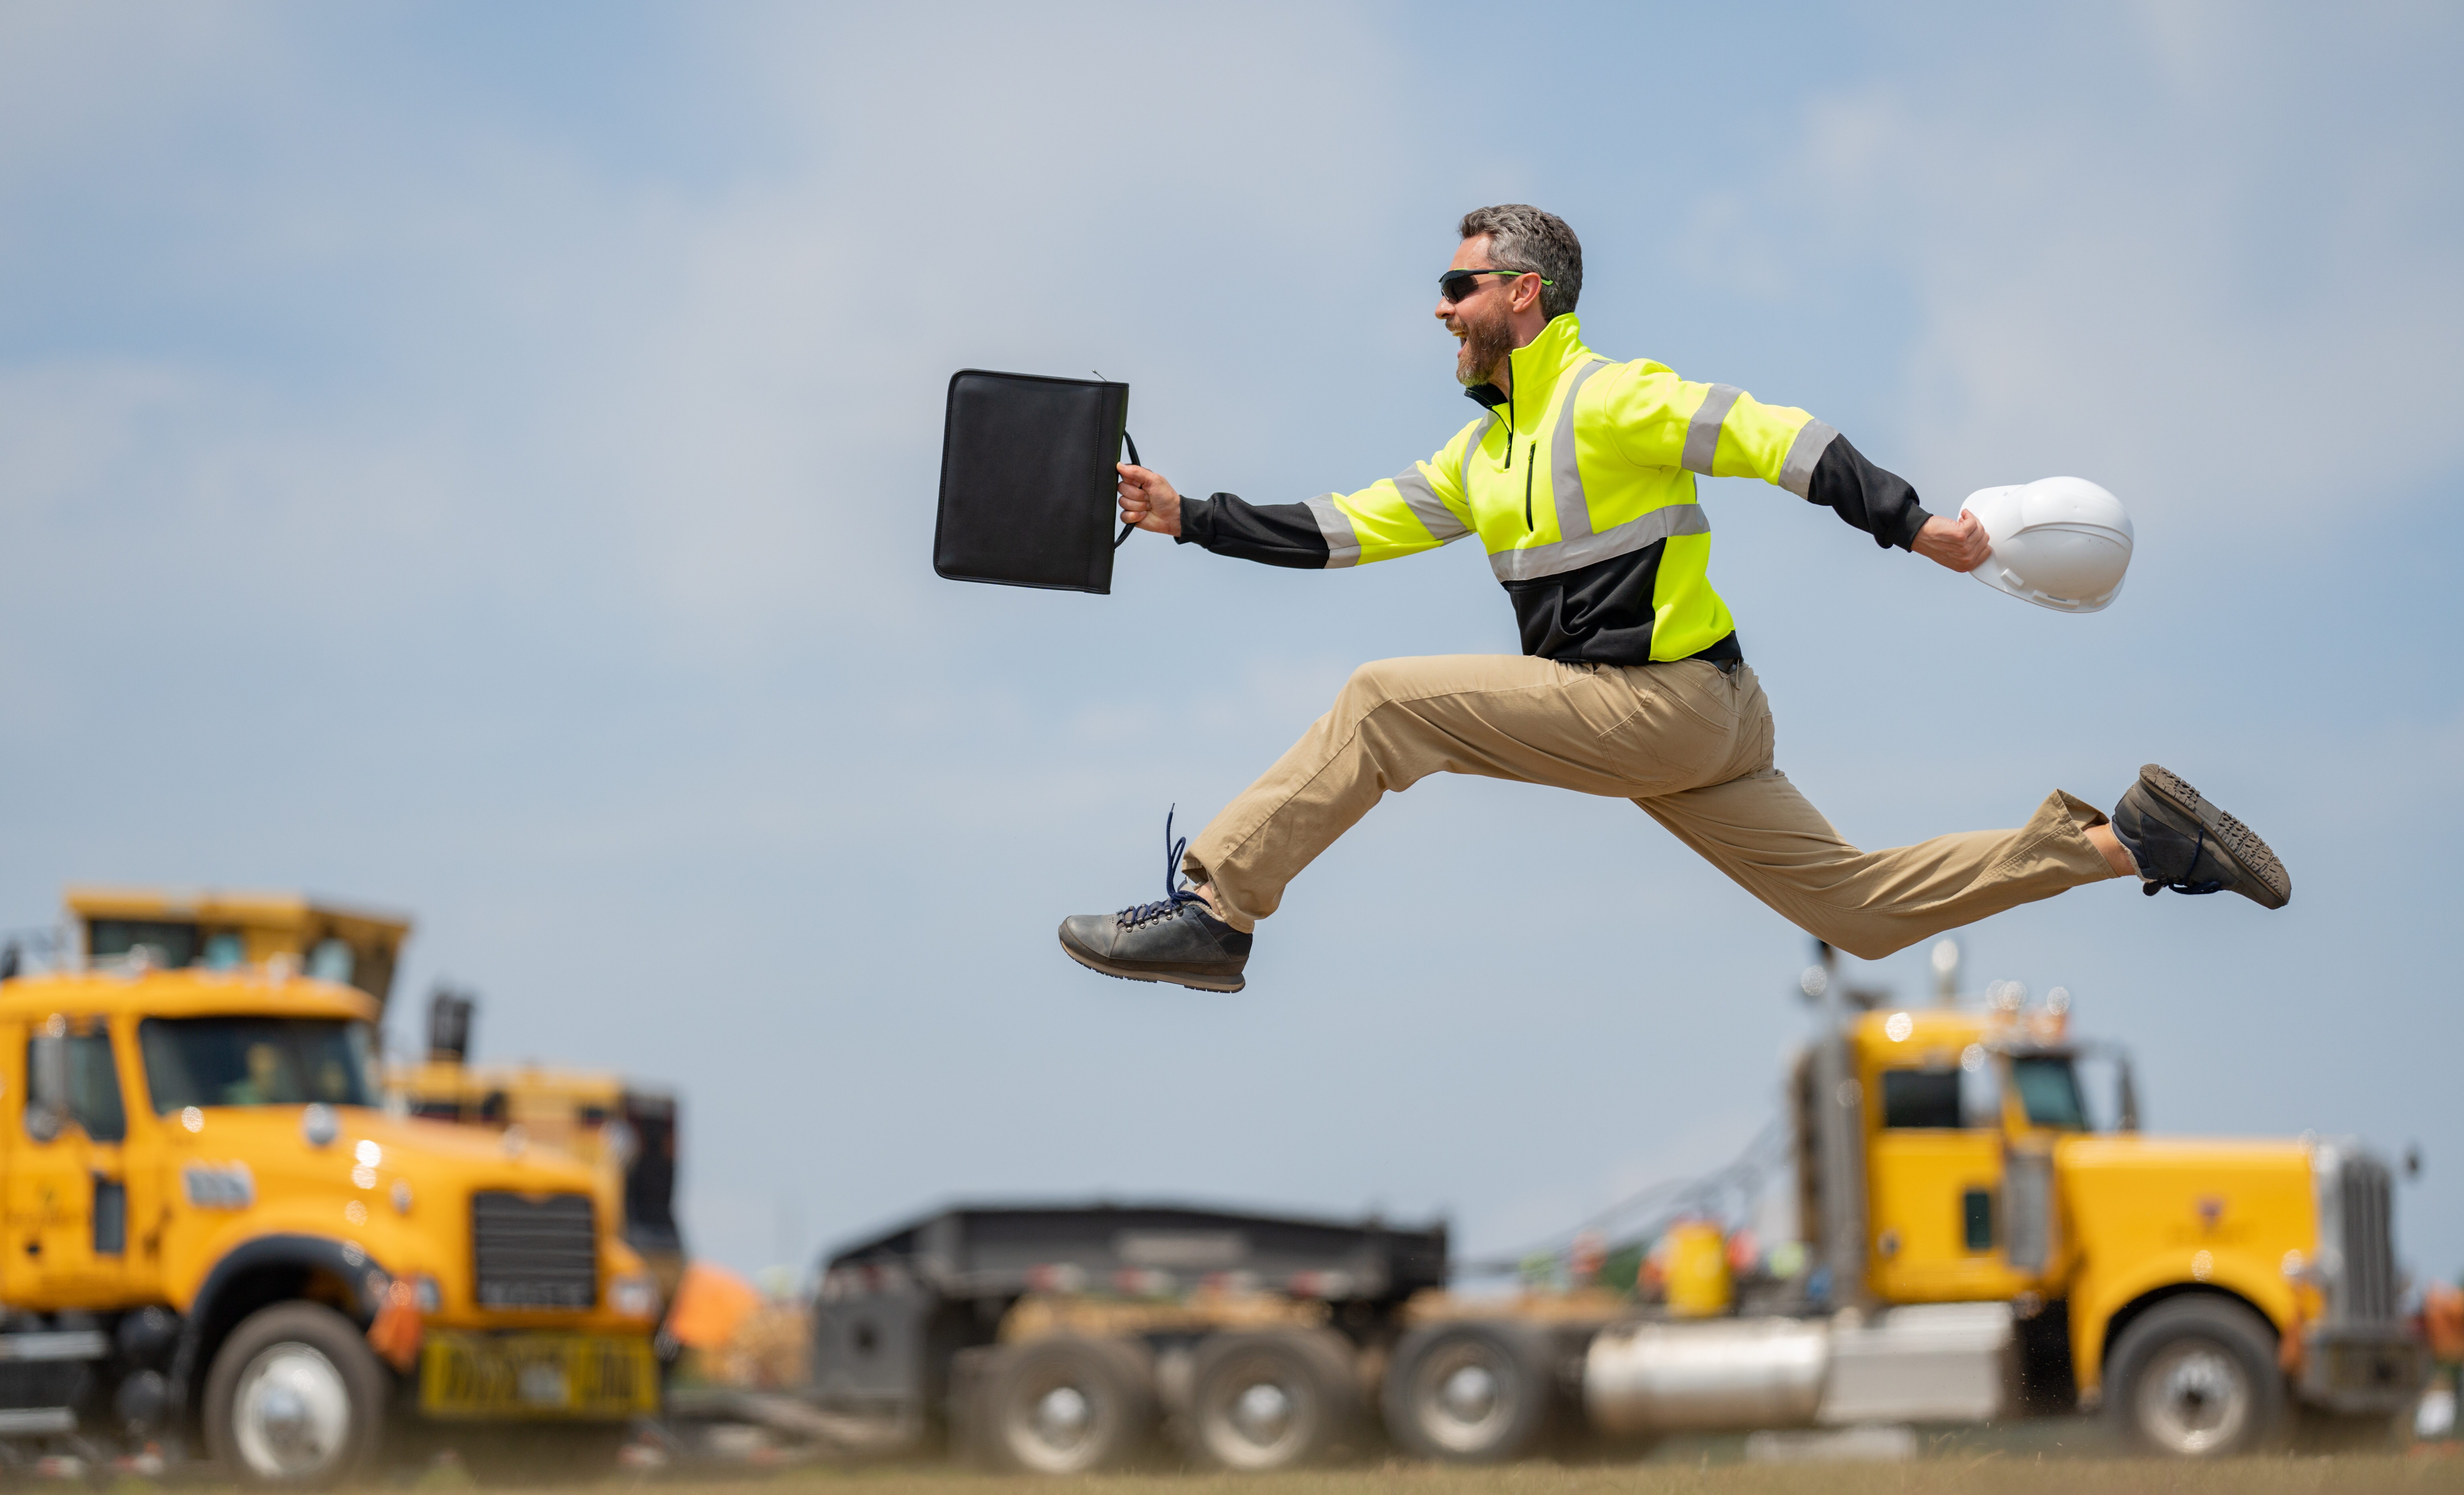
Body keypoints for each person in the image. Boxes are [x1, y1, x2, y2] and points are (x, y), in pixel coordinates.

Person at [1059, 205, 2286, 994]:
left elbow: (1774, 436)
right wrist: (1190, 515)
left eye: (1459, 282)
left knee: (1385, 704)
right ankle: (2131, 842)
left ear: (1526, 295)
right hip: (1706, 725)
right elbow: (1345, 529)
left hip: (1660, 704)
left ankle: (1217, 907)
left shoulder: (1606, 396)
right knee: (1855, 913)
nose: (1440, 304)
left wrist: (1922, 529)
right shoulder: (1480, 456)